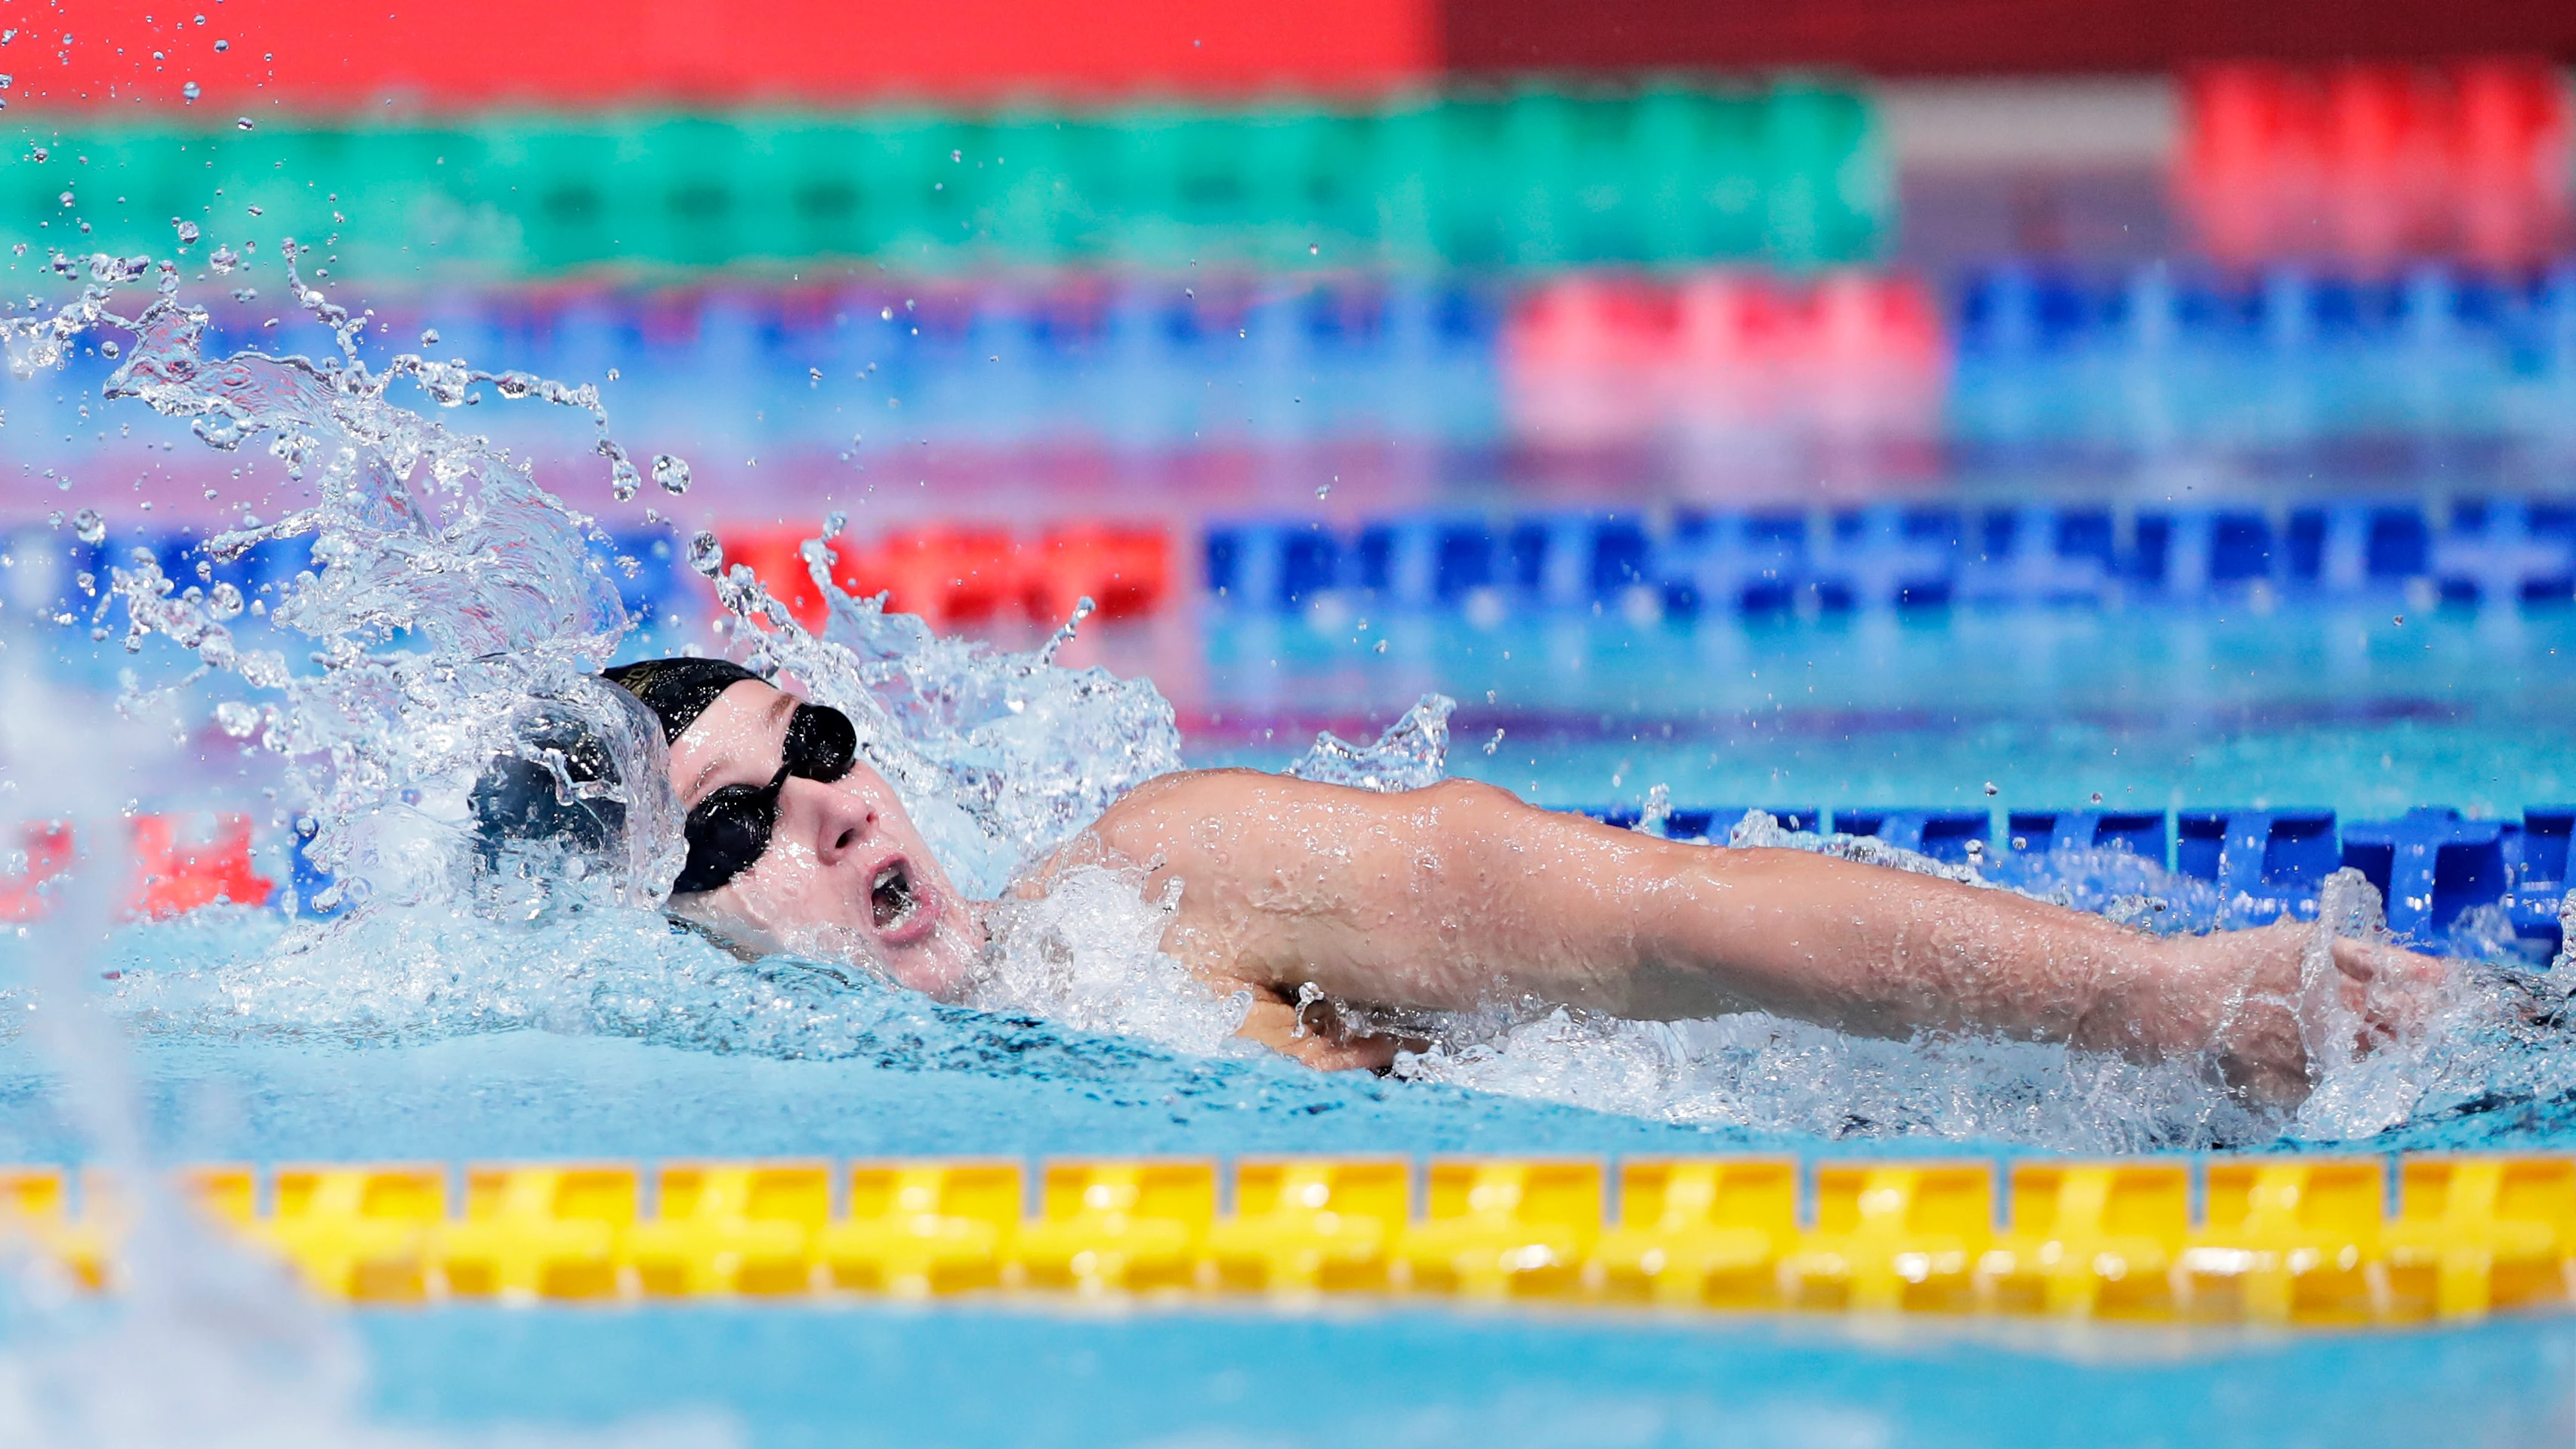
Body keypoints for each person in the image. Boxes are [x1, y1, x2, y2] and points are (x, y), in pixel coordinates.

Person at [597, 658, 2448, 1109]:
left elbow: (1655, 915)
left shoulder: (1155, 889)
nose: (825, 813)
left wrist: (2166, 1002)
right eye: (731, 828)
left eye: (816, 742)